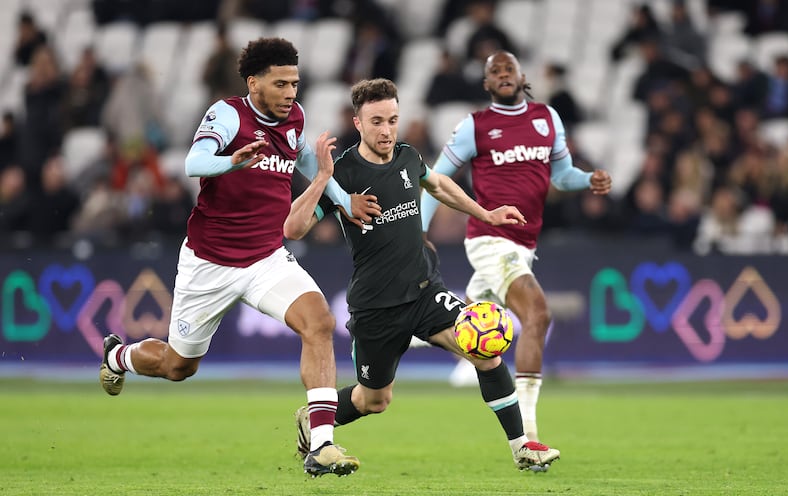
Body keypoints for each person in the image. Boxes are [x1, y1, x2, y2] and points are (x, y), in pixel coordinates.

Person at [98, 37, 381, 478]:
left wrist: (343, 198)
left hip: (266, 257)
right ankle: (118, 357)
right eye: (281, 83)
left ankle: (322, 445)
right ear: (254, 82)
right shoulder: (229, 114)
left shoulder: (295, 118)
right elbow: (193, 162)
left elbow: (303, 156)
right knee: (178, 366)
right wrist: (232, 161)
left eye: (296, 83)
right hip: (209, 262)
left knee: (319, 322)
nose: (291, 92)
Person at [286, 78, 560, 472]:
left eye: (392, 120)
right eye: (376, 121)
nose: (386, 130)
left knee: (484, 348)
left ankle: (522, 447)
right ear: (358, 123)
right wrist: (322, 178)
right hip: (376, 306)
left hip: (425, 292)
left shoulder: (407, 156)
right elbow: (293, 229)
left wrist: (486, 213)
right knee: (374, 400)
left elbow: (439, 185)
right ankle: (314, 418)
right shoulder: (343, 173)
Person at [419, 51, 612, 448]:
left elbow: (562, 175)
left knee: (466, 320)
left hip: (525, 245)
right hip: (490, 240)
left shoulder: (547, 118)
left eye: (509, 68)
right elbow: (435, 179)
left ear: (522, 76)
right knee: (537, 314)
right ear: (487, 84)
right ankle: (527, 433)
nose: (503, 74)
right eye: (494, 71)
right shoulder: (476, 126)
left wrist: (588, 179)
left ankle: (399, 330)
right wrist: (417, 230)